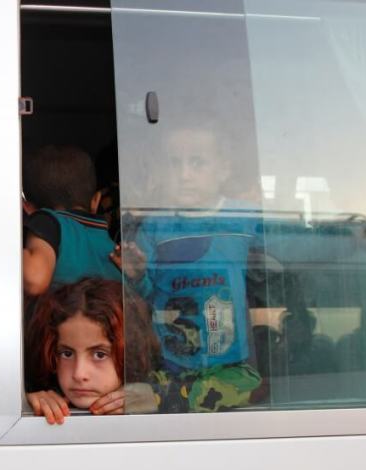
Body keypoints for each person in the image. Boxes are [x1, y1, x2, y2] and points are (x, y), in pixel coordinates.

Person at [113, 116, 262, 412]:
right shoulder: (156, 226)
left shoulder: (244, 217)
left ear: (223, 169)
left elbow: (283, 261)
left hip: (230, 362)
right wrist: (138, 275)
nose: (184, 174)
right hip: (172, 362)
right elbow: (150, 293)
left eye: (197, 163)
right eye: (174, 163)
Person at [25, 278, 159, 424]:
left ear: (131, 354)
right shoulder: (43, 398)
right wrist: (25, 404)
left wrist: (158, 401)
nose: (79, 374)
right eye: (67, 354)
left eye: (99, 355)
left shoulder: (158, 393)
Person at [22, 145, 121, 295]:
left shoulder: (48, 223)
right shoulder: (116, 251)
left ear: (28, 208)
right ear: (96, 200)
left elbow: (34, 280)